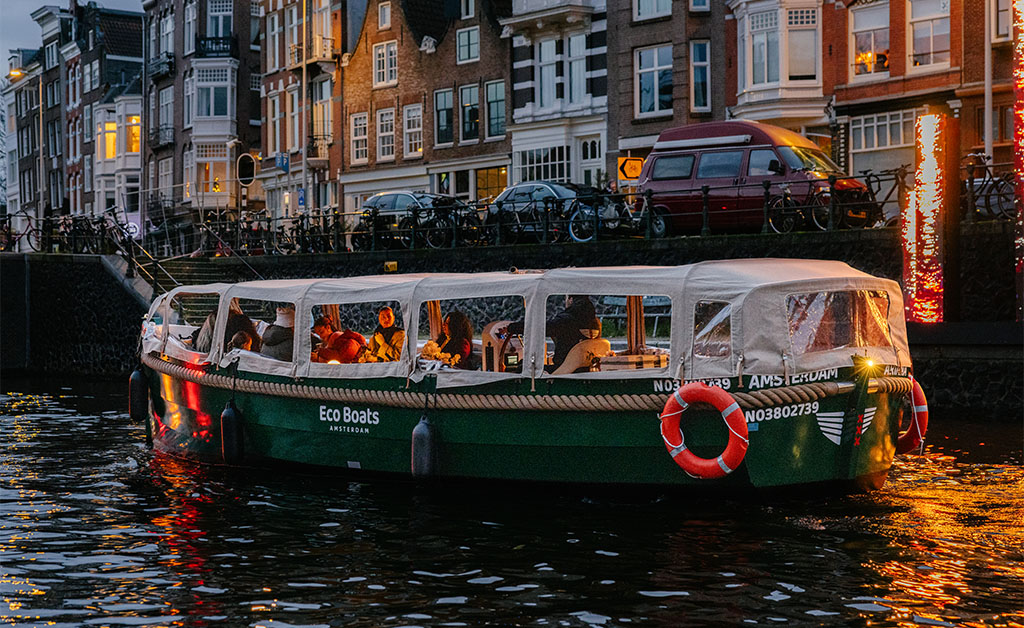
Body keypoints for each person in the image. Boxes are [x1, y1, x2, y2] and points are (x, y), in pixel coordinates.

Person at [502, 295, 601, 372]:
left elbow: (539, 328)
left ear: (571, 300)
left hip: (563, 370)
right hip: (583, 368)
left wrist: (511, 328)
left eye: (566, 299)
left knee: (521, 367)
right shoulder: (595, 323)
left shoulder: (566, 321)